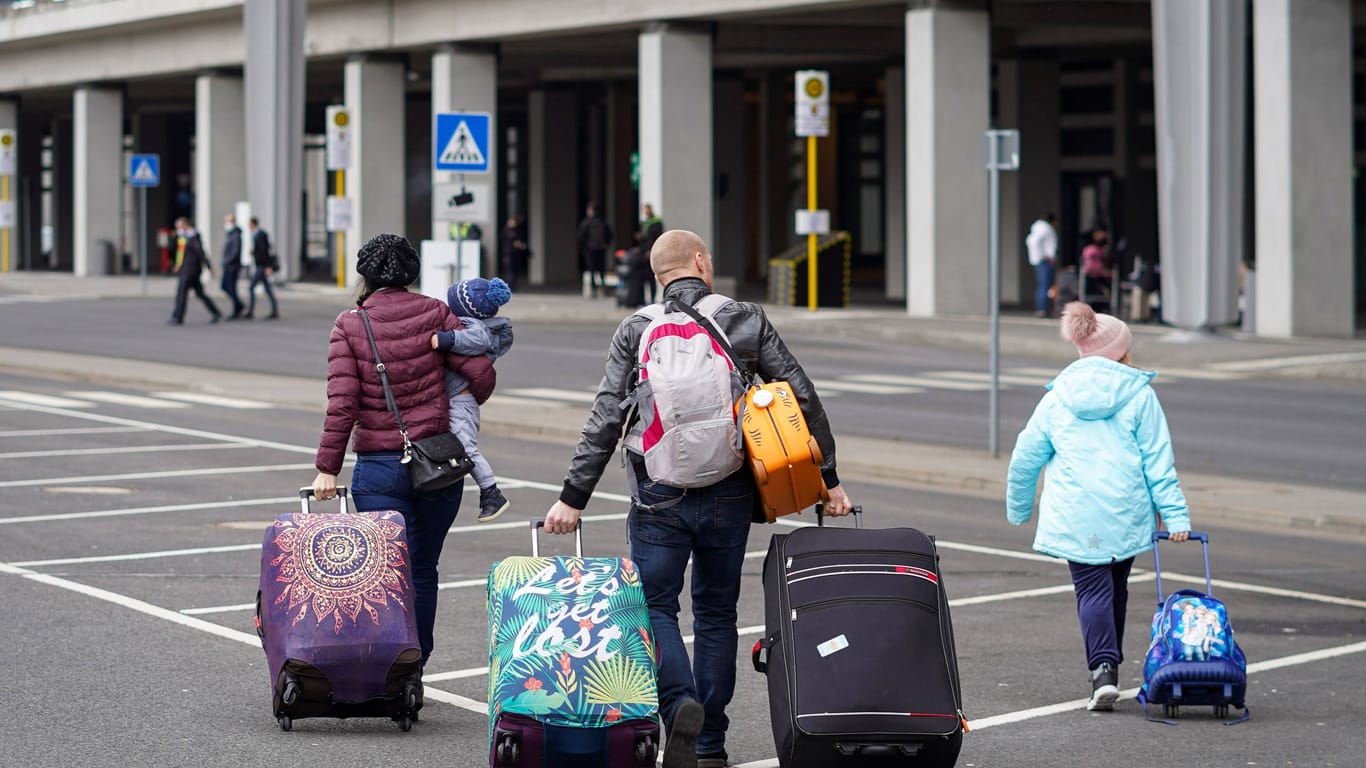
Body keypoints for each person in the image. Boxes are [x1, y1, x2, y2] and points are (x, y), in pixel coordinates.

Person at [543, 230, 854, 768]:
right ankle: (709, 743)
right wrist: (828, 477)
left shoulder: (636, 327)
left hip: (657, 493)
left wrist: (574, 497)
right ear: (702, 263)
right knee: (715, 614)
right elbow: (801, 396)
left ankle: (678, 703)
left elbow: (606, 418)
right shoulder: (745, 318)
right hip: (729, 491)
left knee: (655, 606)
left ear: (657, 273)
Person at [312, 233, 495, 670]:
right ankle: (416, 665)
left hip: (379, 468)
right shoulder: (436, 312)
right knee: (423, 569)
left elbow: (343, 404)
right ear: (411, 273)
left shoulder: (350, 324)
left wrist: (327, 468)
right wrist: (450, 401)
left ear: (365, 276)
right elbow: (482, 377)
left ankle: (385, 666)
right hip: (437, 464)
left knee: (384, 572)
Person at [1005, 301, 1191, 713]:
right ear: (1121, 352)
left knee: (1091, 590)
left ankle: (1102, 670)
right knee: (1116, 587)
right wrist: (1175, 515)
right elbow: (1159, 461)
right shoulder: (1140, 396)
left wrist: (1019, 508)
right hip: (1125, 510)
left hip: (1075, 512)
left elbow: (1025, 457)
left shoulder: (1057, 398)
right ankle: (1109, 666)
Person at [427, 276, 515, 524]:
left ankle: (491, 492)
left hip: (462, 400)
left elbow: (479, 340)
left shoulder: (472, 325)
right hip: (457, 398)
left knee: (465, 447)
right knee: (456, 445)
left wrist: (448, 339)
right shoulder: (468, 321)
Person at [167, 217, 222, 325]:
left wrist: (209, 267)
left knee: (181, 293)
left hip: (191, 270)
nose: (178, 229)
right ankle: (216, 312)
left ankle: (178, 317)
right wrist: (177, 265)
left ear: (185, 225)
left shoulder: (193, 237)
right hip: (186, 269)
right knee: (200, 293)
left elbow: (201, 253)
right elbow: (179, 252)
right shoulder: (183, 238)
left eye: (179, 227)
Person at [245, 217, 279, 320]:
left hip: (262, 266)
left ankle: (250, 311)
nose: (248, 226)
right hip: (261, 265)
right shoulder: (257, 234)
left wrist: (268, 266)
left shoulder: (260, 235)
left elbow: (265, 252)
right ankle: (274, 311)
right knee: (268, 289)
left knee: (251, 287)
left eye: (249, 224)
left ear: (253, 224)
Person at [576, 202, 611, 299]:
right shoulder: (602, 222)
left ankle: (594, 290)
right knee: (601, 270)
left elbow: (581, 236)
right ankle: (603, 288)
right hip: (600, 249)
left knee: (591, 270)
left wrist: (583, 247)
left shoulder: (586, 223)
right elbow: (609, 234)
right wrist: (605, 244)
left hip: (590, 249)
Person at [1025, 213, 1058, 317]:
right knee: (1045, 285)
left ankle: (1044, 309)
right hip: (1044, 260)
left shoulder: (1040, 228)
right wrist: (1042, 256)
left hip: (1043, 260)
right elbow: (1033, 241)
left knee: (1045, 285)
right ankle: (1042, 309)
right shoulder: (1044, 228)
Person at [637, 203, 665, 304]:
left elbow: (657, 237)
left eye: (647, 210)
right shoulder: (644, 223)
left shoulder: (656, 223)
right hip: (643, 254)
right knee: (643, 277)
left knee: (651, 277)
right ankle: (644, 299)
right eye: (644, 210)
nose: (645, 212)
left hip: (651, 253)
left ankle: (653, 299)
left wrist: (651, 250)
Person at [220, 214, 246, 319]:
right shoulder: (230, 234)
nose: (226, 224)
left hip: (232, 266)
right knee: (226, 286)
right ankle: (238, 305)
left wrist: (227, 261)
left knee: (230, 287)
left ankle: (238, 307)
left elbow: (235, 252)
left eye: (228, 222)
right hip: (229, 266)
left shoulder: (235, 235)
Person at [499, 216, 530, 291]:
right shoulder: (506, 230)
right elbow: (503, 239)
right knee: (509, 271)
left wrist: (520, 245)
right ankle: (511, 286)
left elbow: (521, 242)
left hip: (515, 254)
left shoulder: (518, 231)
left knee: (514, 271)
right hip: (508, 253)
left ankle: (513, 285)